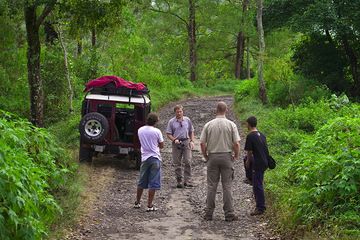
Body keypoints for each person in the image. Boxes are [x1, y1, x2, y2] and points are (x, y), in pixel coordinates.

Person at [200, 102, 241, 221]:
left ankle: (208, 213)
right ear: (226, 110)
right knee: (227, 186)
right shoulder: (231, 125)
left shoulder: (208, 125)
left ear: (216, 110)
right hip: (226, 156)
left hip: (212, 156)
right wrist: (236, 156)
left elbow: (202, 143)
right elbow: (236, 143)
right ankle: (229, 213)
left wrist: (205, 155)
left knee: (212, 185)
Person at [134, 113, 164, 212]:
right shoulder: (157, 131)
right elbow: (161, 145)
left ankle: (137, 202)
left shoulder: (140, 130)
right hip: (155, 157)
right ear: (155, 121)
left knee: (141, 181)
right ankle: (149, 205)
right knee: (153, 183)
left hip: (144, 158)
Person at [244, 116, 269, 215]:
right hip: (264, 162)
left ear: (249, 124)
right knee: (258, 182)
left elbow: (249, 152)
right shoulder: (262, 135)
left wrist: (248, 163)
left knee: (257, 185)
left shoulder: (250, 136)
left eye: (246, 124)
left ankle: (260, 207)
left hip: (258, 163)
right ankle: (250, 179)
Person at [166, 105, 195, 188]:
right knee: (177, 162)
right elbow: (168, 134)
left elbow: (191, 131)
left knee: (188, 161)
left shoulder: (187, 120)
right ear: (175, 112)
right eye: (177, 112)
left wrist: (192, 141)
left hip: (186, 141)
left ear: (183, 111)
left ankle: (187, 180)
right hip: (176, 142)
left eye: (180, 111)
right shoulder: (171, 122)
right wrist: (174, 139)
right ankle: (179, 180)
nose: (179, 113)